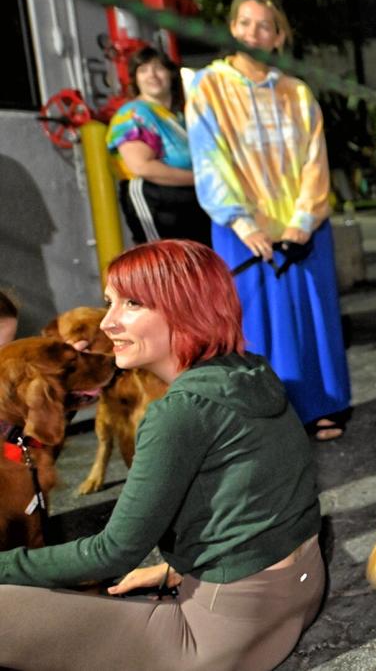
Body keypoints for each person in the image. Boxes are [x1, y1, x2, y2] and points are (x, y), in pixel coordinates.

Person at [0, 239, 323, 670]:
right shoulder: (250, 371)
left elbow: (110, 553)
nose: (109, 323)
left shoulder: (180, 411)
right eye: (109, 303)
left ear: (185, 309)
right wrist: (179, 569)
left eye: (131, 304)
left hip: (216, 635)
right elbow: (252, 507)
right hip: (298, 592)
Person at [187, 0, 352, 441]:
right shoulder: (208, 86)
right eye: (244, 23)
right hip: (242, 232)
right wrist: (242, 222)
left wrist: (304, 219)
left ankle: (321, 406)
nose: (253, 33)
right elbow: (209, 157)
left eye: (264, 25)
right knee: (255, 323)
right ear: (232, 28)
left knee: (311, 319)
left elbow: (315, 160)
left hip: (304, 228)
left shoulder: (297, 93)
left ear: (279, 36)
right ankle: (268, 419)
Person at [106, 46, 212, 245]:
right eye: (143, 70)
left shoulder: (181, 117)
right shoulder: (133, 114)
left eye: (158, 68)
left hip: (192, 203)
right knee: (167, 263)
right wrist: (198, 180)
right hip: (157, 201)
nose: (152, 75)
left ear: (171, 74)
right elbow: (142, 167)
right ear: (135, 79)